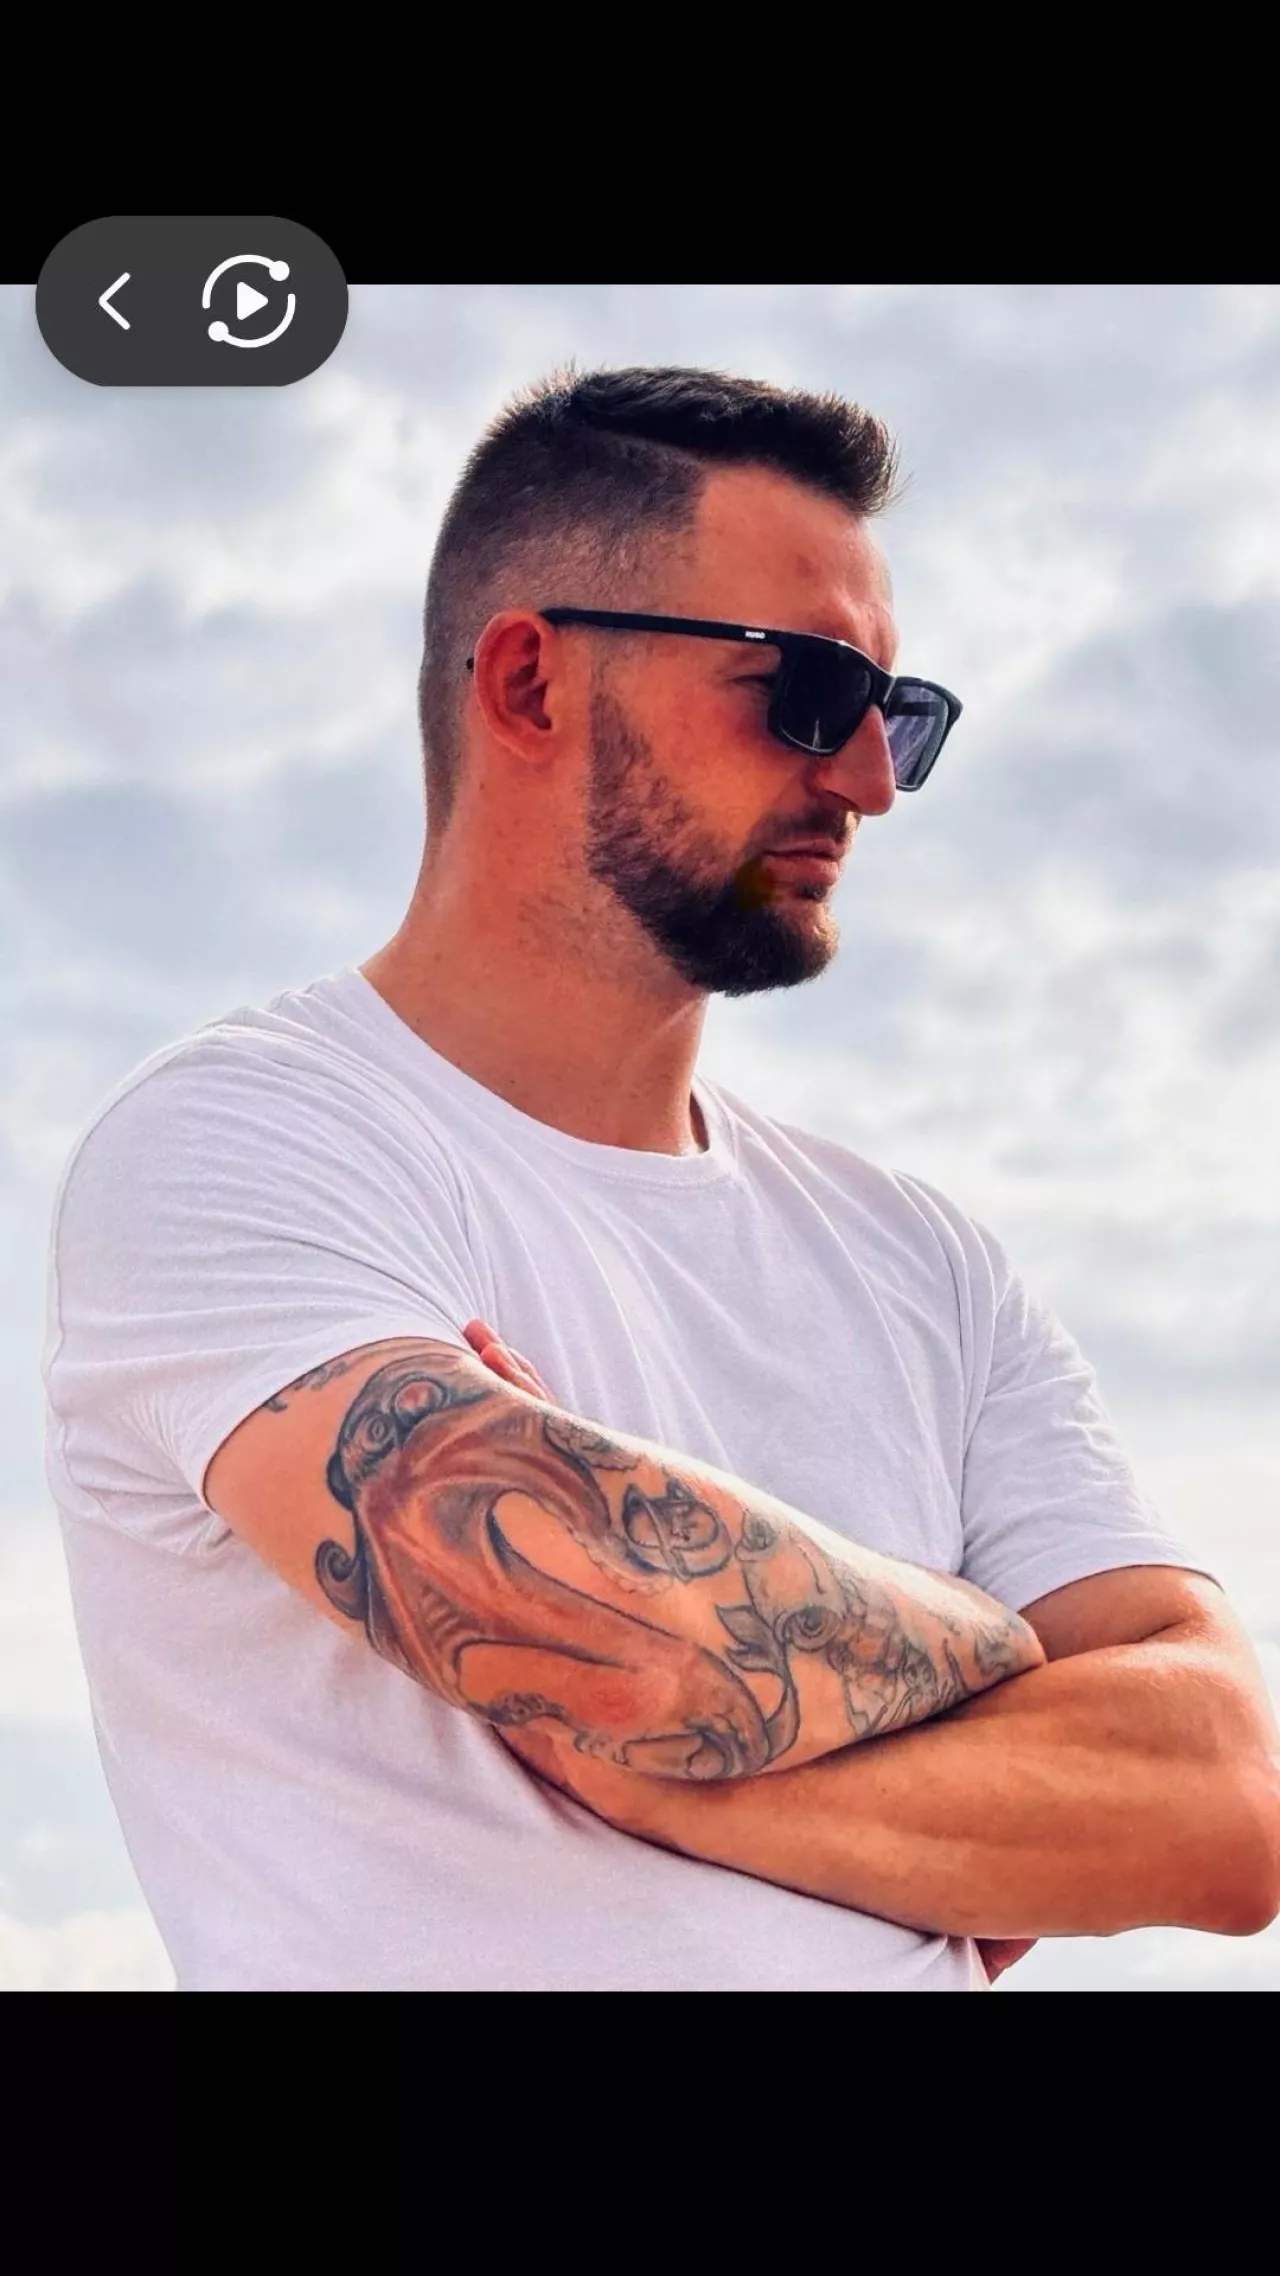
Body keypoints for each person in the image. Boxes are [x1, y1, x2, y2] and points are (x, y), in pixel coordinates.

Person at [43, 365, 1280, 1994]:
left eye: (898, 712)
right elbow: (621, 1640)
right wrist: (1013, 1666)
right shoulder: (245, 1141)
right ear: (531, 683)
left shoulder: (924, 1264)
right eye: (808, 692)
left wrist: (690, 1781)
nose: (870, 780)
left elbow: (1226, 1803)